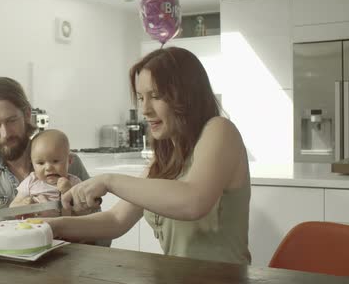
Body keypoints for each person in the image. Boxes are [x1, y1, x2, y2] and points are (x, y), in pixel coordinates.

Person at [47, 47, 252, 265]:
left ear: (187, 95)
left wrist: (109, 181)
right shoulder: (165, 158)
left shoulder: (219, 130)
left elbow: (194, 201)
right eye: (140, 97)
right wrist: (52, 226)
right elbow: (116, 220)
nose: (145, 109)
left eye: (155, 96)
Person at [0, 77, 93, 230]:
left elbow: (99, 235)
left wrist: (76, 216)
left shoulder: (66, 162)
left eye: (12, 120)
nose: (5, 133)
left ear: (27, 115)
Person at [9, 129, 81, 217]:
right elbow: (12, 207)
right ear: (32, 163)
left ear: (69, 160)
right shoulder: (31, 181)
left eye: (55, 161)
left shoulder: (74, 183)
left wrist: (69, 191)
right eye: (41, 163)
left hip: (65, 228)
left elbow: (85, 212)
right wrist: (22, 205)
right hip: (36, 228)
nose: (48, 167)